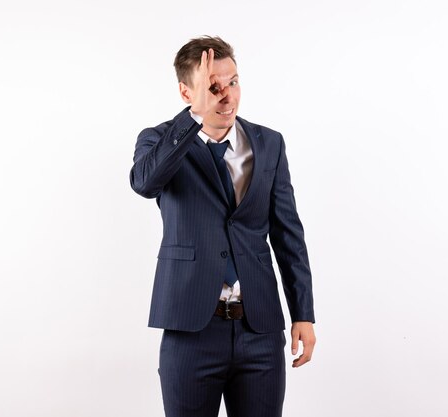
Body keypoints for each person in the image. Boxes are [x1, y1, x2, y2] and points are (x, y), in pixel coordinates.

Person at [129, 36, 316, 417]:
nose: (227, 95)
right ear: (187, 92)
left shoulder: (269, 144)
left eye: (233, 82)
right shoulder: (160, 140)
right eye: (213, 86)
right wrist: (193, 117)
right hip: (191, 330)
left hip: (259, 329)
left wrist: (304, 313)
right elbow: (144, 183)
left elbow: (287, 234)